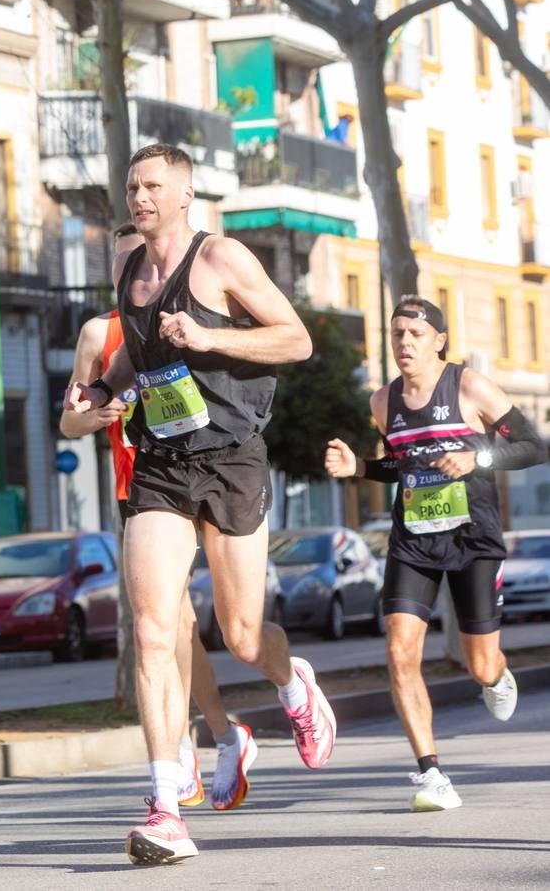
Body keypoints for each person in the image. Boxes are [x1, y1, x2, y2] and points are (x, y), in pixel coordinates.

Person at [66, 143, 335, 865]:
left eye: (153, 185)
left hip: (231, 457)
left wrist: (211, 335)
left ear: (184, 194)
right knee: (155, 632)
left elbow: (295, 339)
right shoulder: (128, 270)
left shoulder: (220, 260)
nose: (140, 197)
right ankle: (164, 806)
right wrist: (100, 392)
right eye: (132, 186)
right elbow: (140, 353)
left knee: (242, 635)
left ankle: (291, 680)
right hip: (160, 463)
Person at [59, 223, 258, 813]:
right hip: (144, 486)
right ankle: (200, 748)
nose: (140, 272)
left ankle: (217, 738)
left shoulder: (193, 312)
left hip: (214, 470)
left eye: (146, 259)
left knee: (210, 627)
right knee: (167, 629)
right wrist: (98, 409)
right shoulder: (101, 332)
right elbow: (69, 420)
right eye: (128, 262)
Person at [325, 296, 546, 811]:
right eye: (397, 333)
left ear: (439, 340)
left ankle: (496, 673)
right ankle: (431, 775)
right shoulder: (383, 402)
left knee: (479, 663)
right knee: (400, 649)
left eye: (416, 334)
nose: (404, 343)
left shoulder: (468, 386)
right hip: (414, 541)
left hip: (474, 537)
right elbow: (398, 466)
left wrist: (478, 455)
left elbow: (535, 445)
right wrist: (358, 466)